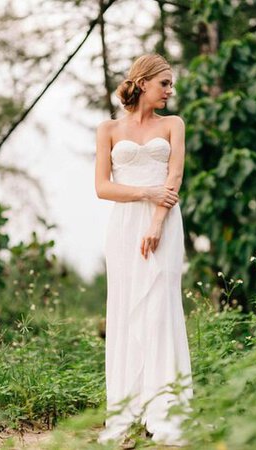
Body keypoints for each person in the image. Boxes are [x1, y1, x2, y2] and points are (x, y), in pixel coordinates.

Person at [95, 53, 193, 447]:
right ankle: (126, 409)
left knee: (158, 309)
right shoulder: (108, 129)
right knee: (126, 309)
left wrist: (155, 222)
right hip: (122, 228)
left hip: (164, 225)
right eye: (164, 83)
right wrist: (143, 192)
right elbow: (102, 187)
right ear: (143, 82)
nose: (170, 90)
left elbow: (175, 177)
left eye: (170, 84)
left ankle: (164, 409)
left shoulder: (173, 125)